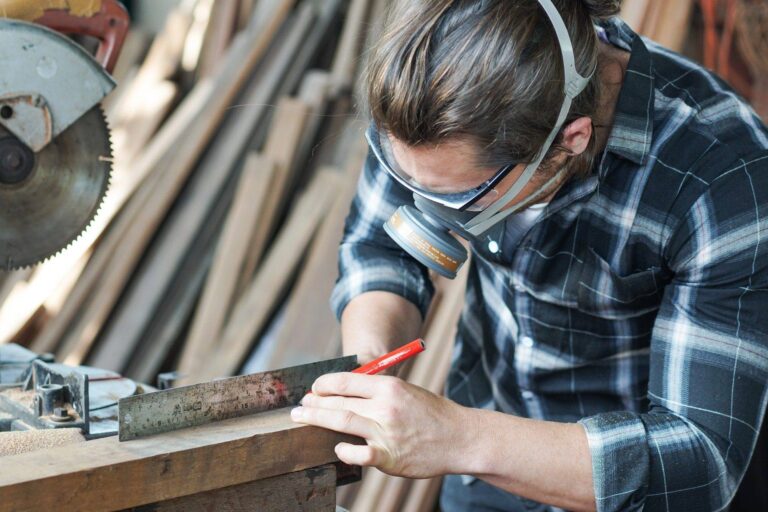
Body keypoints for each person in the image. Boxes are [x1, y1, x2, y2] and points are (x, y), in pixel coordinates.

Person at [290, 1, 768, 510]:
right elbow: (381, 243)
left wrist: (458, 439)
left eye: (454, 199)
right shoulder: (436, 91)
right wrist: (371, 363)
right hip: (482, 479)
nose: (420, 203)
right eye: (402, 173)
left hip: (628, 492)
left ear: (570, 140)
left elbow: (700, 461)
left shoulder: (724, 180)